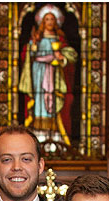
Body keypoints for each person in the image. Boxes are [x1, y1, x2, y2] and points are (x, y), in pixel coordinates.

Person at [19, 5, 78, 153]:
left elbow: (71, 56)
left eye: (52, 19)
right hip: (39, 75)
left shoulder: (60, 39)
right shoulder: (36, 39)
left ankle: (55, 139)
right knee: (40, 104)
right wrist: (32, 50)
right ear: (42, 22)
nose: (50, 22)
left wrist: (61, 57)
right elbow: (27, 57)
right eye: (47, 19)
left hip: (54, 76)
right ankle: (38, 137)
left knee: (52, 105)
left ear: (57, 21)